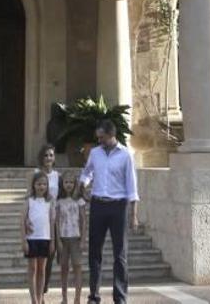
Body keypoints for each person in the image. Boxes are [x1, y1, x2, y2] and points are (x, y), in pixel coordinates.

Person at [79, 119, 138, 304]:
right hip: (98, 204)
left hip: (118, 206)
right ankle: (94, 296)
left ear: (111, 135)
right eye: (98, 137)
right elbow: (87, 171)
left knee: (120, 253)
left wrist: (134, 215)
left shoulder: (126, 155)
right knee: (94, 252)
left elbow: (132, 186)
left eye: (102, 137)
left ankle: (120, 297)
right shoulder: (95, 153)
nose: (99, 141)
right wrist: (83, 183)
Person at [23, 171, 56, 304]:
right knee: (33, 269)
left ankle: (40, 296)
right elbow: (22, 220)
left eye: (44, 184)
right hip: (31, 239)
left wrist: (52, 241)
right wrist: (24, 239)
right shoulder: (29, 201)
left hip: (45, 239)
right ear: (33, 185)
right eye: (38, 184)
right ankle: (34, 300)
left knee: (42, 270)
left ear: (47, 186)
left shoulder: (50, 202)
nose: (41, 186)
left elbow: (52, 222)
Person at [55, 172, 87, 304]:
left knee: (77, 267)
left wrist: (83, 239)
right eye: (66, 182)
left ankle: (77, 298)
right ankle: (64, 298)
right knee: (64, 268)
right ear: (62, 184)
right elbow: (56, 221)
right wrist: (57, 240)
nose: (69, 185)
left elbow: (83, 220)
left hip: (76, 238)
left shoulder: (79, 200)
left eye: (71, 182)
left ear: (75, 184)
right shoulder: (59, 201)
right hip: (63, 238)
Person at [37, 144, 60, 295]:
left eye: (51, 155)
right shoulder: (36, 174)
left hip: (54, 219)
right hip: (40, 220)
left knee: (51, 256)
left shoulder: (57, 176)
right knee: (39, 258)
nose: (48, 158)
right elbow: (29, 195)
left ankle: (44, 289)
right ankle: (38, 291)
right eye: (46, 155)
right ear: (41, 158)